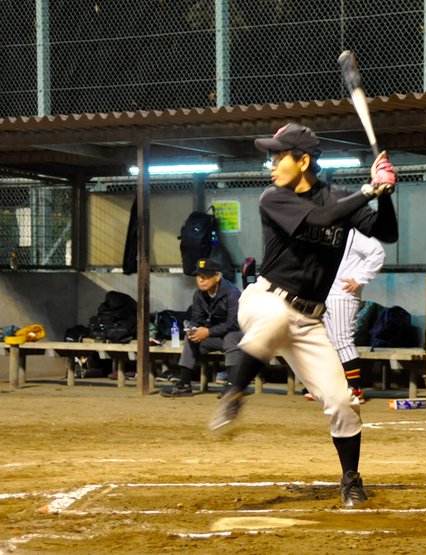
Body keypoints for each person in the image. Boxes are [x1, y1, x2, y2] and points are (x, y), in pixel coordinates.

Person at [208, 122, 398, 507]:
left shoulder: (338, 196)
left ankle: (350, 479)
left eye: (279, 157)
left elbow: (387, 231)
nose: (272, 165)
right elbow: (320, 220)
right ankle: (233, 393)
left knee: (343, 402)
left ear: (304, 161)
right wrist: (368, 190)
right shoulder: (273, 198)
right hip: (265, 300)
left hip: (311, 320)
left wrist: (387, 194)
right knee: (275, 319)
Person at [303, 228, 385, 404]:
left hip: (343, 295)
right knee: (330, 342)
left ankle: (355, 390)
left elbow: (378, 253)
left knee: (342, 340)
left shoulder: (354, 232)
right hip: (327, 294)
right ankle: (332, 389)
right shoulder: (328, 231)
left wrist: (360, 279)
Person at [161, 258, 242, 397]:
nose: (201, 280)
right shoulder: (199, 294)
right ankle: (184, 385)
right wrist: (192, 329)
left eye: (206, 276)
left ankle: (232, 386)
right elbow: (197, 319)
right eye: (199, 276)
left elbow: (234, 323)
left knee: (231, 337)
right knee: (191, 338)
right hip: (217, 335)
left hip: (239, 336)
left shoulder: (232, 293)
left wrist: (208, 331)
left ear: (217, 277)